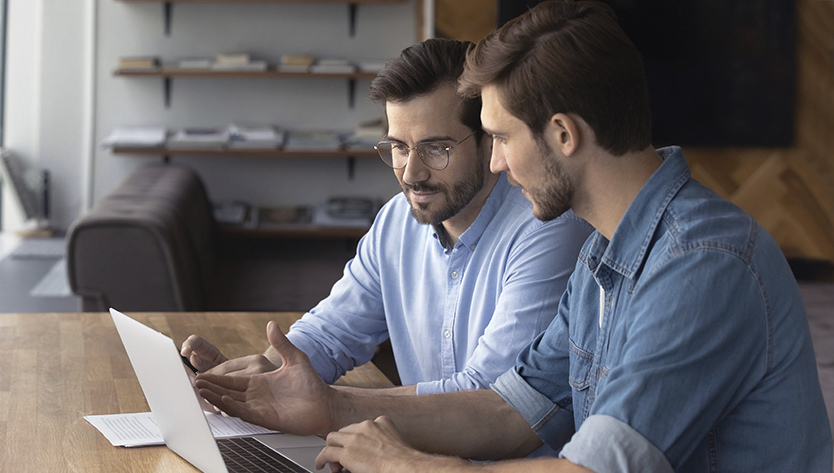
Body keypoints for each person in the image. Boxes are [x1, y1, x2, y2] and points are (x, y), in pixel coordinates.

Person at [194, 1, 833, 472]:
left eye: (499, 138)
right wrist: (328, 408)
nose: (495, 164)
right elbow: (509, 412)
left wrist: (414, 465)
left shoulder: (701, 262)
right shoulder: (603, 255)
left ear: (562, 134)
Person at [183, 38, 593, 396]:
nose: (411, 173)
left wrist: (327, 408)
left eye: (436, 149)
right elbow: (332, 332)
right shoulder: (397, 220)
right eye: (398, 147)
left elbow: (490, 395)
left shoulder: (547, 228)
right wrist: (266, 375)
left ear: (489, 140)